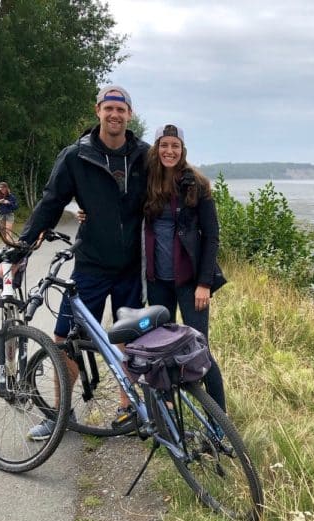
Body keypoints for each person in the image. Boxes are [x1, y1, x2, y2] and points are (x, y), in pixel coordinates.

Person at [19, 85, 148, 440]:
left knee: (130, 341)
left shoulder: (144, 156)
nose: (115, 115)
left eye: (121, 110)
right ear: (98, 111)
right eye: (109, 108)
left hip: (130, 268)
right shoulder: (76, 156)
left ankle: (129, 412)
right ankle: (61, 415)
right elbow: (50, 201)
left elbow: (171, 188)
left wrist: (200, 192)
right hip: (90, 265)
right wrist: (24, 244)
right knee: (64, 339)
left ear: (129, 115)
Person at [77, 123, 227, 415]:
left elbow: (211, 236)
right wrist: (87, 213)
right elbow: (117, 208)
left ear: (182, 150)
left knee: (200, 350)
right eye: (164, 145)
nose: (169, 151)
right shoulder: (148, 182)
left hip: (190, 282)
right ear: (157, 149)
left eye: (175, 145)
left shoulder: (197, 185)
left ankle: (220, 421)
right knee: (160, 352)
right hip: (157, 282)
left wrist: (205, 283)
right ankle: (168, 416)